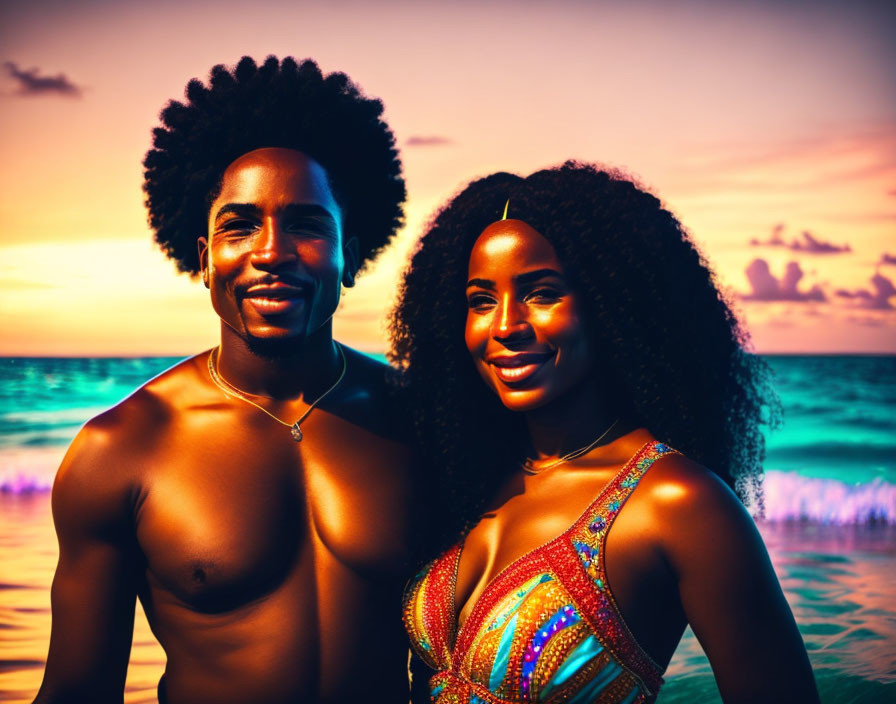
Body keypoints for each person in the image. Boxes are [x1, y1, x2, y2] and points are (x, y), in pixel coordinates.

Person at [34, 56, 422, 704]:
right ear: (204, 258)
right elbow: (77, 692)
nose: (270, 252)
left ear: (352, 253)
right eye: (239, 225)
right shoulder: (121, 452)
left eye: (304, 223)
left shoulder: (420, 421)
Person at [391, 162, 819, 703]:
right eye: (480, 300)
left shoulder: (676, 503)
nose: (504, 326)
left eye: (541, 293)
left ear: (612, 306)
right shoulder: (465, 476)